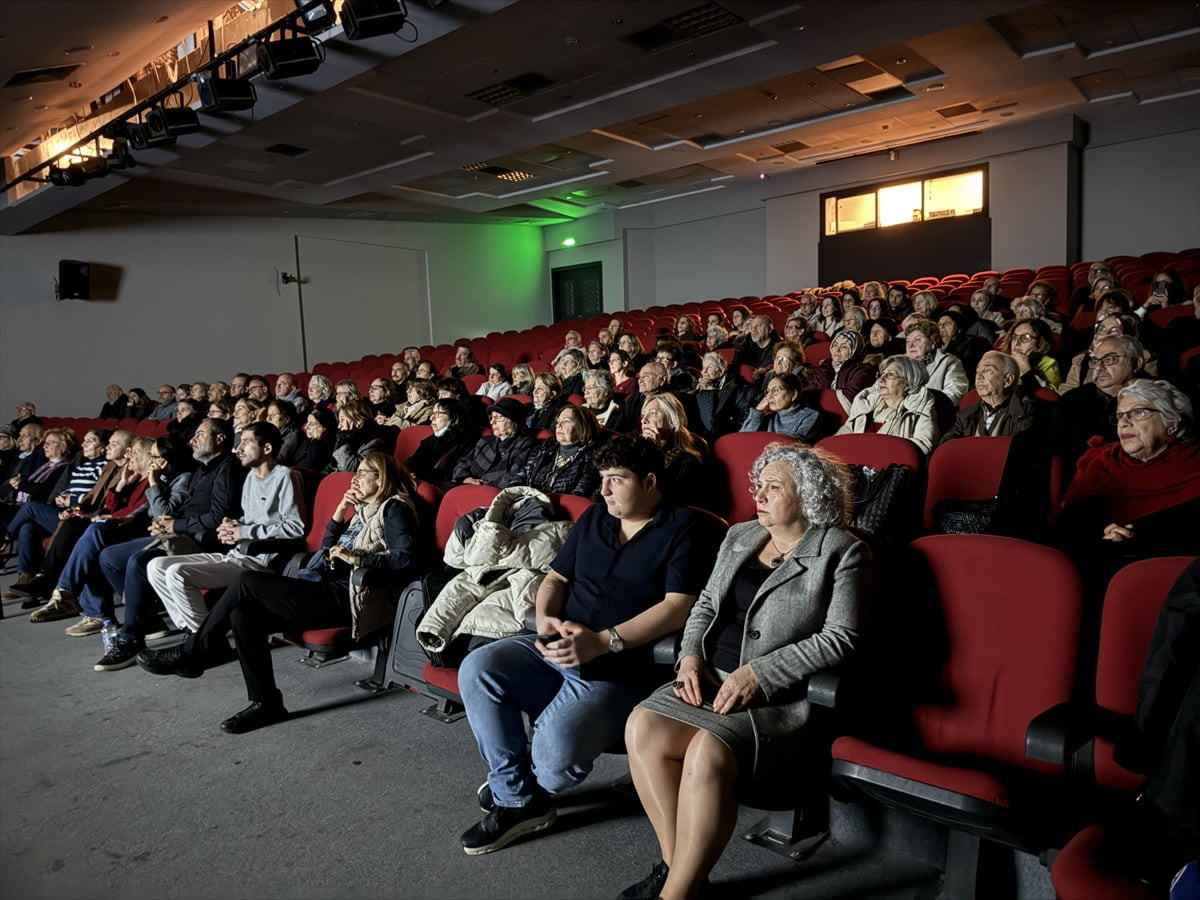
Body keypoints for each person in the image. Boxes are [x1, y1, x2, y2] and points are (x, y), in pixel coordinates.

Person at [621, 443, 870, 900]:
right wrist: (690, 657)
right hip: (709, 678)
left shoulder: (842, 551)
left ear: (808, 495)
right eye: (759, 484)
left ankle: (675, 894)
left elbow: (841, 637)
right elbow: (705, 604)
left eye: (774, 487)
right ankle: (681, 874)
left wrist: (758, 674)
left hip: (776, 699)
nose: (759, 494)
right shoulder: (740, 534)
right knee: (642, 726)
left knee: (706, 750)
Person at [456, 436, 724, 856]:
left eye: (617, 479)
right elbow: (556, 579)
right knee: (479, 667)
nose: (604, 490)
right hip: (556, 647)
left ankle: (520, 784)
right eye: (602, 479)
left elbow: (678, 607)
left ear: (650, 481)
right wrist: (546, 617)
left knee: (553, 765)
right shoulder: (596, 517)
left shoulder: (685, 528)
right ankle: (517, 798)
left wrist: (603, 641)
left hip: (618, 668)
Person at [139, 452, 429, 734]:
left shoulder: (395, 509)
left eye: (363, 473)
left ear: (381, 478)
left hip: (349, 598)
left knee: (247, 581)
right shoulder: (362, 509)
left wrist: (357, 558)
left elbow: (406, 560)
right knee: (244, 613)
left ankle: (194, 652)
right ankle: (266, 703)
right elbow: (325, 551)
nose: (355, 478)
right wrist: (340, 511)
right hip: (324, 588)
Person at [91, 417, 247, 671]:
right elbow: (186, 508)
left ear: (220, 439)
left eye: (200, 434)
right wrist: (167, 522)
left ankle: (131, 638)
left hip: (203, 540)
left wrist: (176, 525)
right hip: (181, 534)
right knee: (109, 557)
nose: (192, 439)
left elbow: (218, 515)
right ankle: (150, 619)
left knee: (139, 561)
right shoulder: (201, 469)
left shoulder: (227, 467)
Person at [142, 422, 307, 640]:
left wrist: (243, 532)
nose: (238, 448)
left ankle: (206, 641)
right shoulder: (251, 477)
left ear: (267, 448)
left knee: (177, 573)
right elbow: (250, 520)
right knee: (156, 566)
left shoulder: (285, 476)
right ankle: (196, 634)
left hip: (261, 560)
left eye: (246, 442)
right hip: (237, 554)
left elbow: (295, 528)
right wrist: (231, 525)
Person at [38, 436, 195, 634]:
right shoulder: (150, 477)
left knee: (94, 537)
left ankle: (75, 599)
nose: (131, 456)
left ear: (166, 458)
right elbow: (134, 508)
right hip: (139, 526)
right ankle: (85, 605)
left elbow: (160, 513)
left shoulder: (176, 478)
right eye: (151, 456)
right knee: (91, 540)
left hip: (163, 534)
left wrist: (153, 483)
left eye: (154, 456)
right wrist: (122, 491)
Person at [1057, 380, 1199, 555]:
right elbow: (1068, 526)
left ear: (1171, 424)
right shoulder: (1100, 461)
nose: (1123, 423)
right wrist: (1101, 537)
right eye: (1120, 415)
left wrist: (1138, 536)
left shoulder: (1194, 463)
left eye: (1138, 412)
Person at [1, 428, 109, 591]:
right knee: (27, 528)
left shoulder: (103, 467)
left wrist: (72, 500)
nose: (84, 444)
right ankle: (26, 578)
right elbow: (68, 488)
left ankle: (5, 538)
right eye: (84, 440)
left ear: (103, 447)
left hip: (79, 515)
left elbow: (96, 496)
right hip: (63, 509)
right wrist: (62, 496)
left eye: (90, 441)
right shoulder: (81, 466)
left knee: (30, 508)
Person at [1050, 334, 1144, 467]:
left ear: (1137, 363)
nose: (1099, 368)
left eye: (1109, 359)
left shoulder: (1158, 397)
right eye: (1095, 361)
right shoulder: (1072, 401)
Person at [838, 355, 941, 455]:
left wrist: (877, 454)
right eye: (881, 375)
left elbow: (924, 444)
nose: (881, 379)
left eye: (890, 375)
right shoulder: (865, 404)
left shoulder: (920, 408)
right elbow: (842, 435)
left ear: (908, 384)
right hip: (852, 461)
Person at [941, 351, 1040, 442]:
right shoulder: (965, 415)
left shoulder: (1026, 412)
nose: (979, 377)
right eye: (977, 371)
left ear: (1008, 380)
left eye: (988, 371)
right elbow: (946, 448)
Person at [506, 405, 601, 498]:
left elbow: (577, 496)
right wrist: (511, 494)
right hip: (527, 500)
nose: (558, 425)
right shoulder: (545, 448)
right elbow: (522, 474)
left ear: (583, 427)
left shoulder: (591, 459)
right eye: (558, 421)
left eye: (566, 421)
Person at [453, 397, 538, 487]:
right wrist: (465, 478)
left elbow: (514, 477)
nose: (492, 422)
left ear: (513, 421)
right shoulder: (485, 441)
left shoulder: (524, 444)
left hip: (495, 492)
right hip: (467, 487)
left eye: (498, 417)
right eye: (492, 417)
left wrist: (482, 485)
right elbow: (462, 464)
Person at [640, 394, 705, 502]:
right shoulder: (635, 447)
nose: (643, 420)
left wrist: (653, 452)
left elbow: (666, 497)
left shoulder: (687, 460)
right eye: (643, 414)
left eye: (653, 413)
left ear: (672, 422)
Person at [404, 398, 479, 488]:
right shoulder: (430, 440)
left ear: (454, 418)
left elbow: (452, 474)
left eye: (438, 414)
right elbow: (410, 464)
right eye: (432, 413)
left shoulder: (468, 441)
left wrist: (418, 476)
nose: (432, 418)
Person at [806, 330, 877, 408]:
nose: (837, 350)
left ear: (854, 350)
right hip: (818, 409)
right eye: (835, 345)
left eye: (844, 347)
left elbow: (847, 398)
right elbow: (810, 391)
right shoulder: (826, 365)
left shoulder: (863, 370)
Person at [905, 319, 968, 406]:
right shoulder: (898, 364)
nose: (910, 345)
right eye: (908, 341)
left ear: (932, 342)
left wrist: (926, 407)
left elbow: (955, 393)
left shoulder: (949, 362)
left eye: (917, 340)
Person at [693, 353, 756, 441]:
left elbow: (713, 419)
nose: (704, 371)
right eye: (704, 367)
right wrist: (697, 390)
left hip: (722, 433)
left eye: (709, 367)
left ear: (721, 371)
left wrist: (708, 391)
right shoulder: (700, 383)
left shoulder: (736, 387)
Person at [741, 372, 819, 441]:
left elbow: (794, 445)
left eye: (775, 390)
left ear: (793, 394)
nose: (769, 396)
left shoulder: (811, 416)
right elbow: (743, 440)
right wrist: (757, 412)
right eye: (768, 391)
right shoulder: (768, 418)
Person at [327, 399, 385, 474]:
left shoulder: (375, 442)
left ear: (358, 420)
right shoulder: (346, 436)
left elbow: (350, 468)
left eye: (343, 420)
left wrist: (345, 439)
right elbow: (331, 466)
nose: (339, 426)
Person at [1000, 318, 1061, 389]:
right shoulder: (1005, 360)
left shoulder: (1049, 363)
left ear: (1040, 343)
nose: (1016, 343)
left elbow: (1047, 394)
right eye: (1014, 337)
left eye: (1026, 337)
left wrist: (1026, 370)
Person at [936, 309, 989, 380]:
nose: (941, 327)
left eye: (947, 323)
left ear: (959, 329)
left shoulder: (972, 343)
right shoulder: (933, 345)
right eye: (939, 324)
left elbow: (964, 369)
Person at [292, 407, 337, 473]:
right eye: (307, 422)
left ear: (324, 428)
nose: (306, 427)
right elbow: (294, 460)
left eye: (312, 424)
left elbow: (309, 466)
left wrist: (317, 440)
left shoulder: (331, 446)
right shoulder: (308, 439)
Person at [264, 399, 302, 466]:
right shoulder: (271, 432)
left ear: (286, 419)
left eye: (274, 415)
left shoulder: (292, 436)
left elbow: (277, 459)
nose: (268, 419)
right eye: (268, 415)